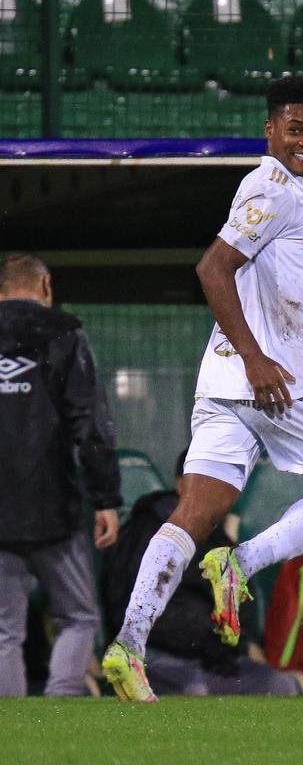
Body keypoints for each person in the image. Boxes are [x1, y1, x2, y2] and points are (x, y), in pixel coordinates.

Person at [103, 75, 303, 702]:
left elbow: (260, 293)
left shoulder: (269, 191)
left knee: (193, 513)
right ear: (270, 129)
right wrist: (261, 360)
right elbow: (212, 269)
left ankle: (128, 644)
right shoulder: (276, 190)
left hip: (222, 377)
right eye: (295, 128)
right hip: (271, 384)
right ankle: (241, 563)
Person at [0, 252, 121, 696]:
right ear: (46, 287)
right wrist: (106, 498)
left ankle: (8, 732)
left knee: (3, 631)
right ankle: (62, 704)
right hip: (54, 505)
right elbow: (90, 424)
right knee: (79, 616)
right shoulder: (64, 335)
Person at [101, 449, 303, 696]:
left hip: (216, 660)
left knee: (283, 685)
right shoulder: (150, 532)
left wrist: (244, 641)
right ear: (183, 485)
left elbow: (242, 599)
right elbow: (136, 610)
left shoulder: (218, 536)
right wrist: (208, 639)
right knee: (197, 692)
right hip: (159, 657)